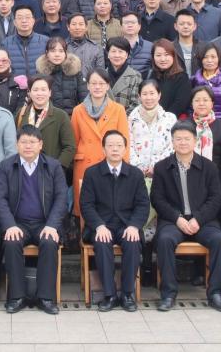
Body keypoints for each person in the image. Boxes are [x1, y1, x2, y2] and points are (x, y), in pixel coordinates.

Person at [151, 121, 221, 312]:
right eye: (178, 139)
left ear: (195, 140)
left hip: (203, 221)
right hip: (174, 221)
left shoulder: (209, 167)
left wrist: (198, 219)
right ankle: (168, 293)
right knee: (164, 240)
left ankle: (216, 293)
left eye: (187, 139)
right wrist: (177, 218)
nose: (182, 142)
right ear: (172, 142)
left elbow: (215, 199)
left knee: (219, 240)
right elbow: (157, 199)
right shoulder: (162, 167)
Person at [0, 125, 67, 315]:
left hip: (45, 224)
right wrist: (9, 225)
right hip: (17, 224)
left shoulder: (53, 166)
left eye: (32, 142)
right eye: (24, 142)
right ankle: (16, 297)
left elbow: (61, 198)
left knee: (49, 242)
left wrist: (52, 225)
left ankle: (46, 298)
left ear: (40, 144)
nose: (28, 146)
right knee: (11, 242)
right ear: (17, 144)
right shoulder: (6, 166)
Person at [79, 130, 149, 312]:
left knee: (132, 242)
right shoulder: (92, 173)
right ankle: (109, 295)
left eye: (119, 145)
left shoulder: (135, 174)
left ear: (125, 149)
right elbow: (86, 205)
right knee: (102, 243)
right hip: (101, 226)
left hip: (126, 225)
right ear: (103, 149)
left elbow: (143, 205)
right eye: (110, 145)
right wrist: (99, 226)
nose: (115, 149)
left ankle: (127, 294)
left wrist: (134, 226)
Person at [70, 69, 130, 215]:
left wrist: (124, 168)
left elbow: (125, 142)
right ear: (88, 86)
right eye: (93, 83)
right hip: (85, 164)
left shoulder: (118, 109)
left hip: (110, 163)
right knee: (85, 209)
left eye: (101, 83)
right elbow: (74, 141)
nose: (97, 87)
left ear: (108, 86)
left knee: (109, 207)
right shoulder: (78, 110)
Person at [127, 80, 176, 250]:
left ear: (159, 95)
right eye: (145, 94)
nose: (148, 97)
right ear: (139, 96)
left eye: (152, 93)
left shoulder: (170, 118)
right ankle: (142, 252)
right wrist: (139, 167)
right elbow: (128, 145)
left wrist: (156, 166)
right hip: (137, 174)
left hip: (162, 173)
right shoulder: (131, 118)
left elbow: (172, 145)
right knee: (139, 210)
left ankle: (157, 251)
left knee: (160, 211)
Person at [15, 76, 76, 180]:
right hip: (25, 172)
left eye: (43, 90)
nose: (39, 93)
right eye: (35, 90)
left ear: (50, 92)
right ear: (29, 93)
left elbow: (70, 147)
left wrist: (57, 167)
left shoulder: (60, 115)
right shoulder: (21, 114)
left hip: (51, 173)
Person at [34, 37, 87, 115]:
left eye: (61, 51)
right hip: (47, 117)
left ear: (66, 53)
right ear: (47, 53)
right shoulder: (41, 74)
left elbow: (84, 98)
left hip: (72, 116)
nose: (57, 54)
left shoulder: (75, 72)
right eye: (53, 51)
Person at [150, 39, 191, 118]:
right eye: (158, 55)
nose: (163, 59)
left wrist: (164, 119)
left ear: (173, 56)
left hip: (172, 120)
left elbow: (180, 104)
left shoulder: (182, 78)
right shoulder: (150, 76)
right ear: (153, 57)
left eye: (166, 55)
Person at [190, 43, 221, 119]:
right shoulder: (194, 80)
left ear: (219, 58)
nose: (209, 60)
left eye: (213, 57)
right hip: (199, 122)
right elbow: (190, 106)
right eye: (205, 57)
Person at [3, 5, 48, 79]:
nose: (24, 21)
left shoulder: (45, 41)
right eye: (20, 18)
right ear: (14, 22)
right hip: (15, 85)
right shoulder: (6, 43)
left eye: (27, 17)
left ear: (33, 21)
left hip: (39, 84)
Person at [106, 37, 142, 114]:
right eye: (113, 51)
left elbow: (136, 104)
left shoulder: (135, 76)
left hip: (125, 119)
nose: (117, 55)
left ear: (127, 55)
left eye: (120, 52)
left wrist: (120, 118)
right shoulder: (100, 76)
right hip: (102, 119)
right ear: (108, 54)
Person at [0, 48, 26, 115]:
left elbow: (20, 110)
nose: (0, 63)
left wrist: (9, 120)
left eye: (4, 60)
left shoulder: (19, 84)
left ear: (9, 63)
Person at [66, 13, 104, 78]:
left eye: (81, 24)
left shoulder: (96, 47)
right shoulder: (62, 47)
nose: (77, 27)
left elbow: (101, 72)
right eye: (74, 24)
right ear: (68, 27)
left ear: (86, 27)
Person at [119, 13, 153, 78]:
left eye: (133, 22)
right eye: (126, 23)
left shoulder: (151, 46)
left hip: (144, 82)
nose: (130, 25)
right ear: (121, 27)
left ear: (139, 26)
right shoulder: (115, 46)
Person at [172, 9, 198, 77]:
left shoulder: (204, 47)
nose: (185, 27)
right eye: (181, 24)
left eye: (189, 24)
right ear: (175, 26)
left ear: (194, 26)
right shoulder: (170, 47)